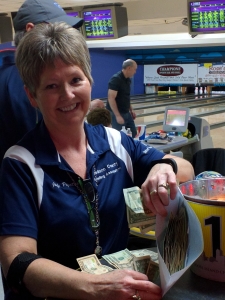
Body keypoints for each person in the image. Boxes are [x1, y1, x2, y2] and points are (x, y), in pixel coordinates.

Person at [0, 22, 194, 300]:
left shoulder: (114, 142)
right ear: (32, 96)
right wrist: (96, 286)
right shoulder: (21, 163)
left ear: (90, 82)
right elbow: (16, 260)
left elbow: (187, 169)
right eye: (52, 86)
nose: (67, 95)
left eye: (75, 80)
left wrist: (164, 167)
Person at [0, 0, 84, 165]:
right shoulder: (27, 81)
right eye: (55, 33)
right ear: (30, 30)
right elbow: (42, 149)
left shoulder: (6, 69)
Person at [106, 59, 138, 138]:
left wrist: (131, 109)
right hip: (115, 113)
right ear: (129, 68)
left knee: (134, 134)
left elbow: (126, 96)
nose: (135, 72)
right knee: (118, 137)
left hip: (126, 112)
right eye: (135, 69)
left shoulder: (128, 80)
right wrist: (117, 116)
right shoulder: (116, 79)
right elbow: (111, 98)